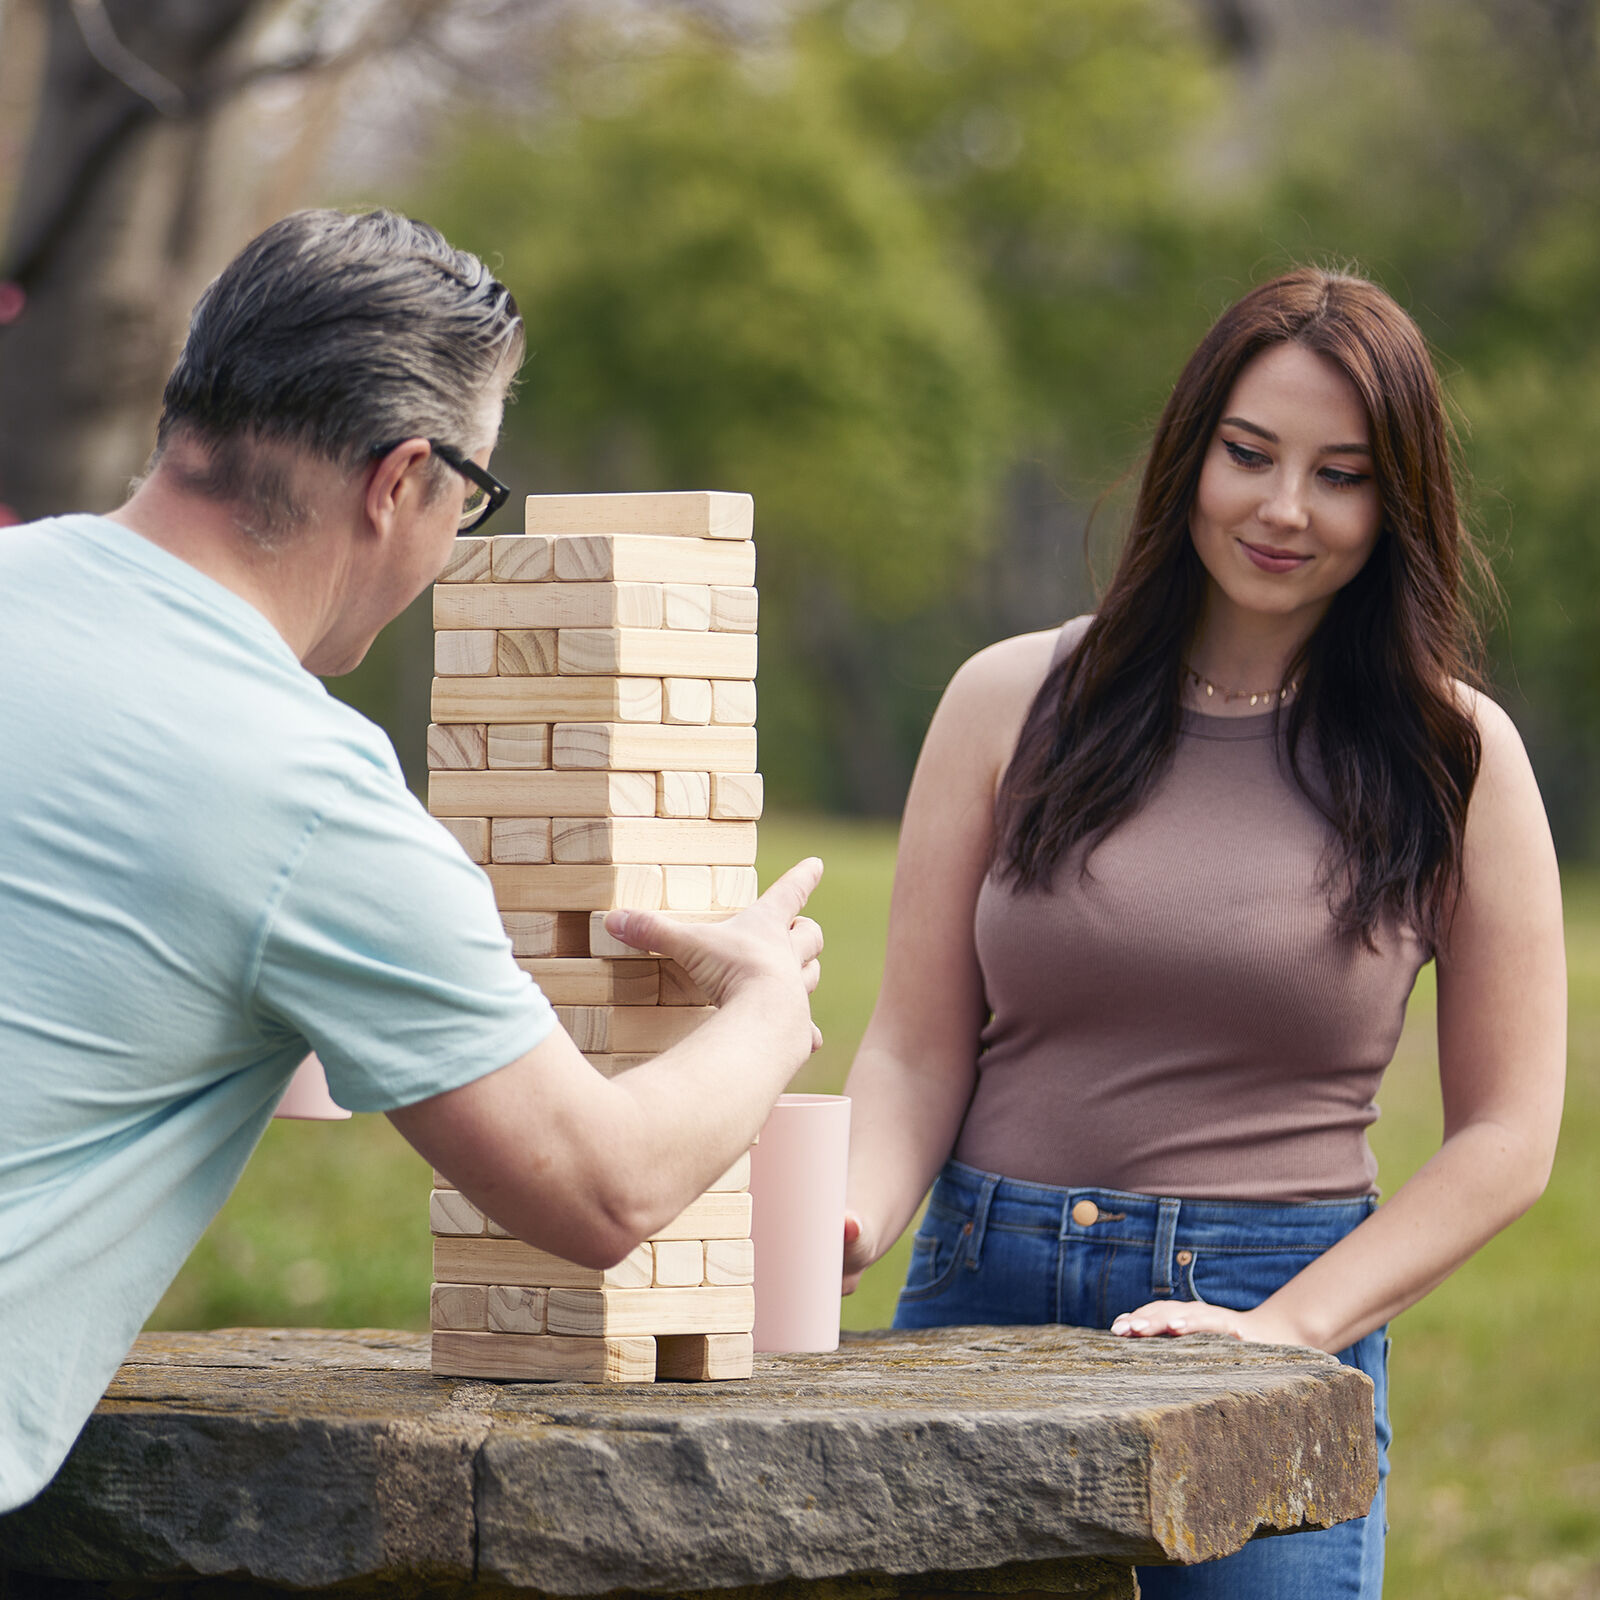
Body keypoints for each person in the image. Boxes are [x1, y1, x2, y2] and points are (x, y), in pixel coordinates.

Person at [0, 208, 822, 1513]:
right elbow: (606, 1188)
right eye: (473, 496)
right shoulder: (303, 789)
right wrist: (773, 1007)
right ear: (400, 482)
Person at [838, 267, 1566, 1598]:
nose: (1284, 508)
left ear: (1397, 507)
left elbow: (1510, 1139)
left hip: (1268, 1305)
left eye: (1342, 475)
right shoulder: (1009, 698)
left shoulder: (1456, 756)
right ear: (1190, 457)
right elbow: (914, 1046)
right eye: (1250, 454)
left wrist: (1285, 1332)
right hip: (980, 1283)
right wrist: (851, 1213)